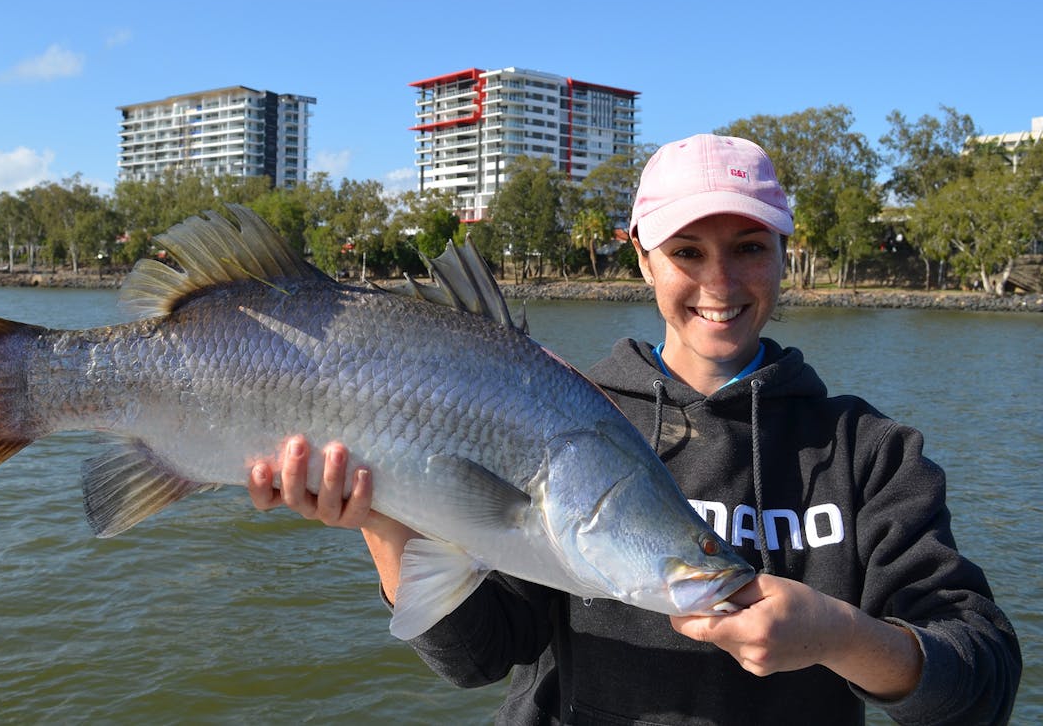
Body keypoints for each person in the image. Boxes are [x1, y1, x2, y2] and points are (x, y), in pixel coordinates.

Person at [248, 134, 1021, 725]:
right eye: (687, 251)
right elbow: (478, 657)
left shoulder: (871, 454)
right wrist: (384, 519)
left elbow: (983, 681)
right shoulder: (556, 412)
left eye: (749, 248)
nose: (719, 282)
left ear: (787, 252)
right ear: (643, 260)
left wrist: (843, 638)